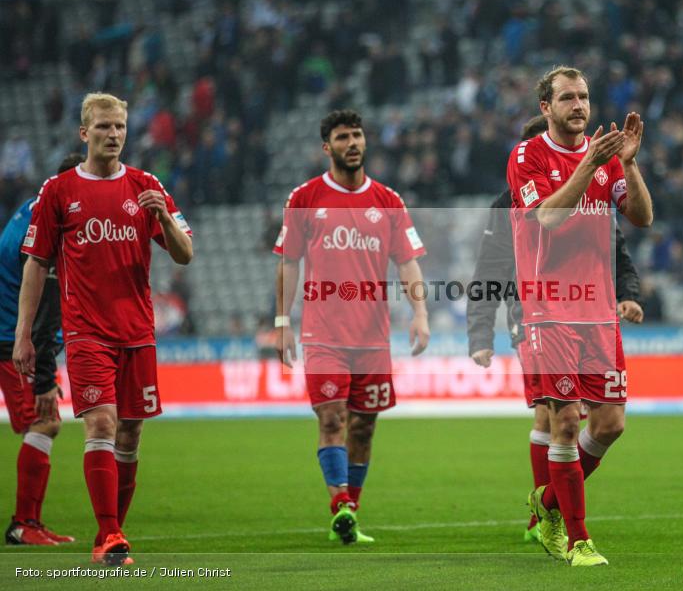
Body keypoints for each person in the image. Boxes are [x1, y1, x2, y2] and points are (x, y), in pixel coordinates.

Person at [13, 93, 193, 565]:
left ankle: (109, 533)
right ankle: (111, 535)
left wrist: (163, 219)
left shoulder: (145, 185)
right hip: (86, 330)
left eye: (120, 127)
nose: (113, 134)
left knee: (130, 436)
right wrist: (23, 333)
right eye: (104, 127)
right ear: (84, 133)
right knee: (102, 423)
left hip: (138, 331)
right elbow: (36, 265)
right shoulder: (58, 191)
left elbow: (184, 253)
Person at [467, 115, 644, 545]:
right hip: (532, 312)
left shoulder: (594, 181)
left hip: (592, 309)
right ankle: (550, 522)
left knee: (597, 420)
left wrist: (629, 292)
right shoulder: (507, 201)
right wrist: (480, 332)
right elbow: (490, 266)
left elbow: (615, 246)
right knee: (554, 415)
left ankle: (546, 505)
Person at [507, 66, 653, 566]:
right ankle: (578, 538)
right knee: (565, 419)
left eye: (584, 97)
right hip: (549, 308)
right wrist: (588, 166)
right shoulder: (527, 156)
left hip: (598, 311)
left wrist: (629, 166)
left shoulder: (607, 156)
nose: (579, 105)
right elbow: (545, 216)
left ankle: (546, 503)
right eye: (567, 97)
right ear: (546, 107)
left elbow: (641, 217)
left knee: (610, 424)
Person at [274, 109, 429, 544]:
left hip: (372, 337)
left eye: (358, 135)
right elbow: (287, 263)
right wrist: (282, 322)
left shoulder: (388, 201)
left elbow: (409, 263)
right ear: (328, 147)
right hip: (323, 334)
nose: (353, 143)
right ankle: (339, 502)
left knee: (364, 426)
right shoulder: (304, 198)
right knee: (332, 418)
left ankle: (351, 511)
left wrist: (420, 314)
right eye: (343, 137)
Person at [1, 153, 82, 546]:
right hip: (12, 340)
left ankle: (29, 522)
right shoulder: (52, 222)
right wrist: (46, 379)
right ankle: (23, 525)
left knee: (42, 422)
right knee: (44, 420)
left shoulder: (34, 205)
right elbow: (44, 311)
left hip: (9, 332)